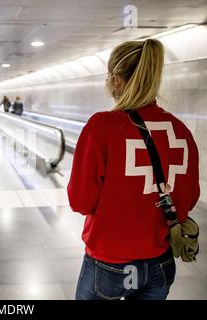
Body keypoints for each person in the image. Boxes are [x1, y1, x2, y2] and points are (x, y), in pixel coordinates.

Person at [68, 38, 200, 300]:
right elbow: (187, 199)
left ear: (116, 80)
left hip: (108, 264)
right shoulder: (180, 130)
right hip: (159, 265)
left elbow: (80, 201)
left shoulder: (102, 127)